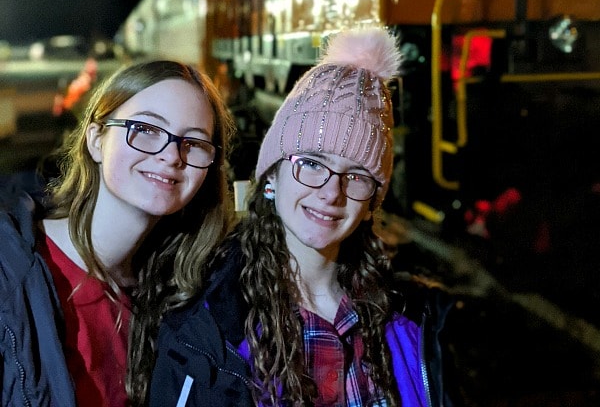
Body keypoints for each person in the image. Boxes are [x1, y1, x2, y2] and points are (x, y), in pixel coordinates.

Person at [148, 26, 461, 406]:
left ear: (371, 204)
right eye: (311, 163)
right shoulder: (204, 333)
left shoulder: (416, 320)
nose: (331, 192)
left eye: (356, 176)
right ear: (272, 177)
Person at [0, 58, 236, 407]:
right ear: (96, 139)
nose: (172, 155)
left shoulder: (173, 298)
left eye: (194, 143)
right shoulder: (9, 273)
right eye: (146, 129)